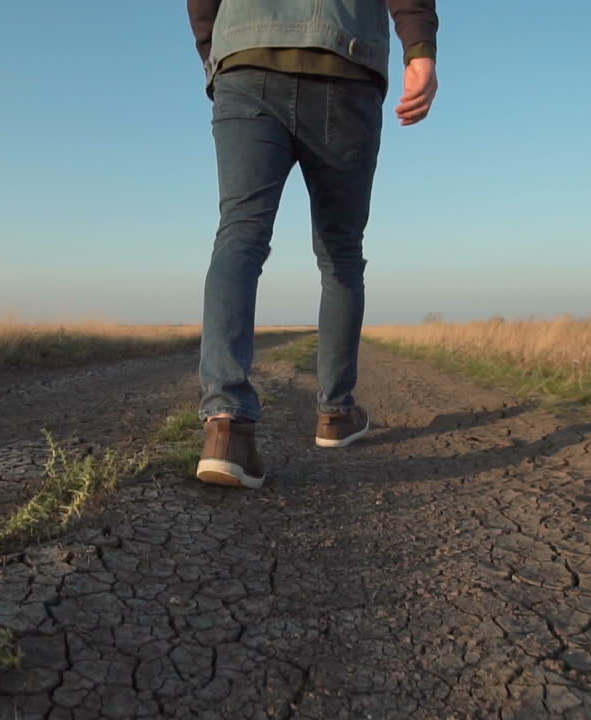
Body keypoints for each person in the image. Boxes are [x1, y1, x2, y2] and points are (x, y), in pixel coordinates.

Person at [188, 0, 439, 488]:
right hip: (344, 60)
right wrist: (420, 47)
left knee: (240, 231)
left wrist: (215, 49)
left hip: (245, 53)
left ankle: (226, 426)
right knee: (340, 252)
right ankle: (335, 414)